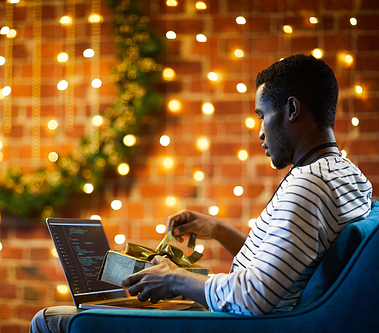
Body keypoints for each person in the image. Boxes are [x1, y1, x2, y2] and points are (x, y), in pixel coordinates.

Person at [29, 54, 373, 332]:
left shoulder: (308, 187)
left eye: (262, 116)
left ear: (293, 110)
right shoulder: (345, 175)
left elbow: (257, 296)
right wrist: (217, 230)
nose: (260, 134)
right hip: (261, 312)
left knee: (50, 319)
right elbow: (283, 266)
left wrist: (177, 280)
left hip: (248, 323)